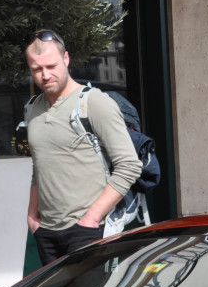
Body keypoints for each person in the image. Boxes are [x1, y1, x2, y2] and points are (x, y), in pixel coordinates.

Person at [24, 29, 141, 266]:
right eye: (37, 69)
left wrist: (91, 218)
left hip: (88, 230)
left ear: (66, 59)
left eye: (52, 66)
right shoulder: (33, 108)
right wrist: (32, 216)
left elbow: (129, 165)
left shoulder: (93, 102)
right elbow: (39, 164)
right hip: (46, 232)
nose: (45, 75)